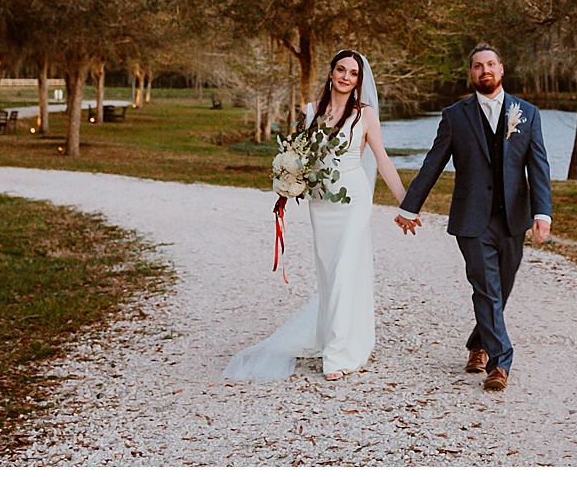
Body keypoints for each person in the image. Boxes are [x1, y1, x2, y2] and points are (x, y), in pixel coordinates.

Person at [222, 49, 410, 382]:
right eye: (341, 70)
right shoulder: (309, 113)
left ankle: (337, 355)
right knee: (328, 270)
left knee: (342, 268)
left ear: (358, 81)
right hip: (322, 203)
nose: (346, 77)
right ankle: (331, 336)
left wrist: (405, 202)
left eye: (353, 74)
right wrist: (288, 181)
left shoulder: (365, 115)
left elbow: (382, 160)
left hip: (353, 198)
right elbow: (298, 156)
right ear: (331, 73)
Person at [395, 43, 552, 392]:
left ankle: (478, 344)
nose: (485, 71)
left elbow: (538, 166)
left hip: (513, 218)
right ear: (471, 74)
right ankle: (501, 363)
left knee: (501, 288)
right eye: (478, 66)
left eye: (491, 64)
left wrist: (542, 212)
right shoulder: (455, 115)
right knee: (486, 288)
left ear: (501, 69)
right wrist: (410, 206)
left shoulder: (527, 113)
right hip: (471, 219)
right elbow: (433, 162)